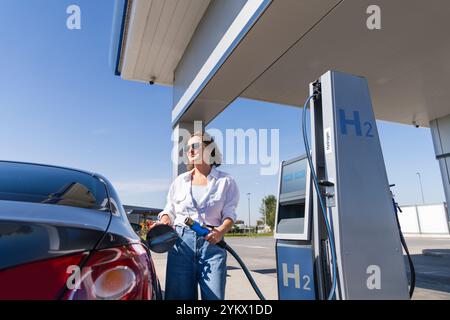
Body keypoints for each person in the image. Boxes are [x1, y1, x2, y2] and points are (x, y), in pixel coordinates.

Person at [155, 131, 239, 300]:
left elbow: (229, 214)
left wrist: (220, 231)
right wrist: (164, 221)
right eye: (188, 148)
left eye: (195, 146)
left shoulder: (226, 181)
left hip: (212, 245)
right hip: (181, 245)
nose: (190, 151)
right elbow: (169, 210)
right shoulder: (180, 181)